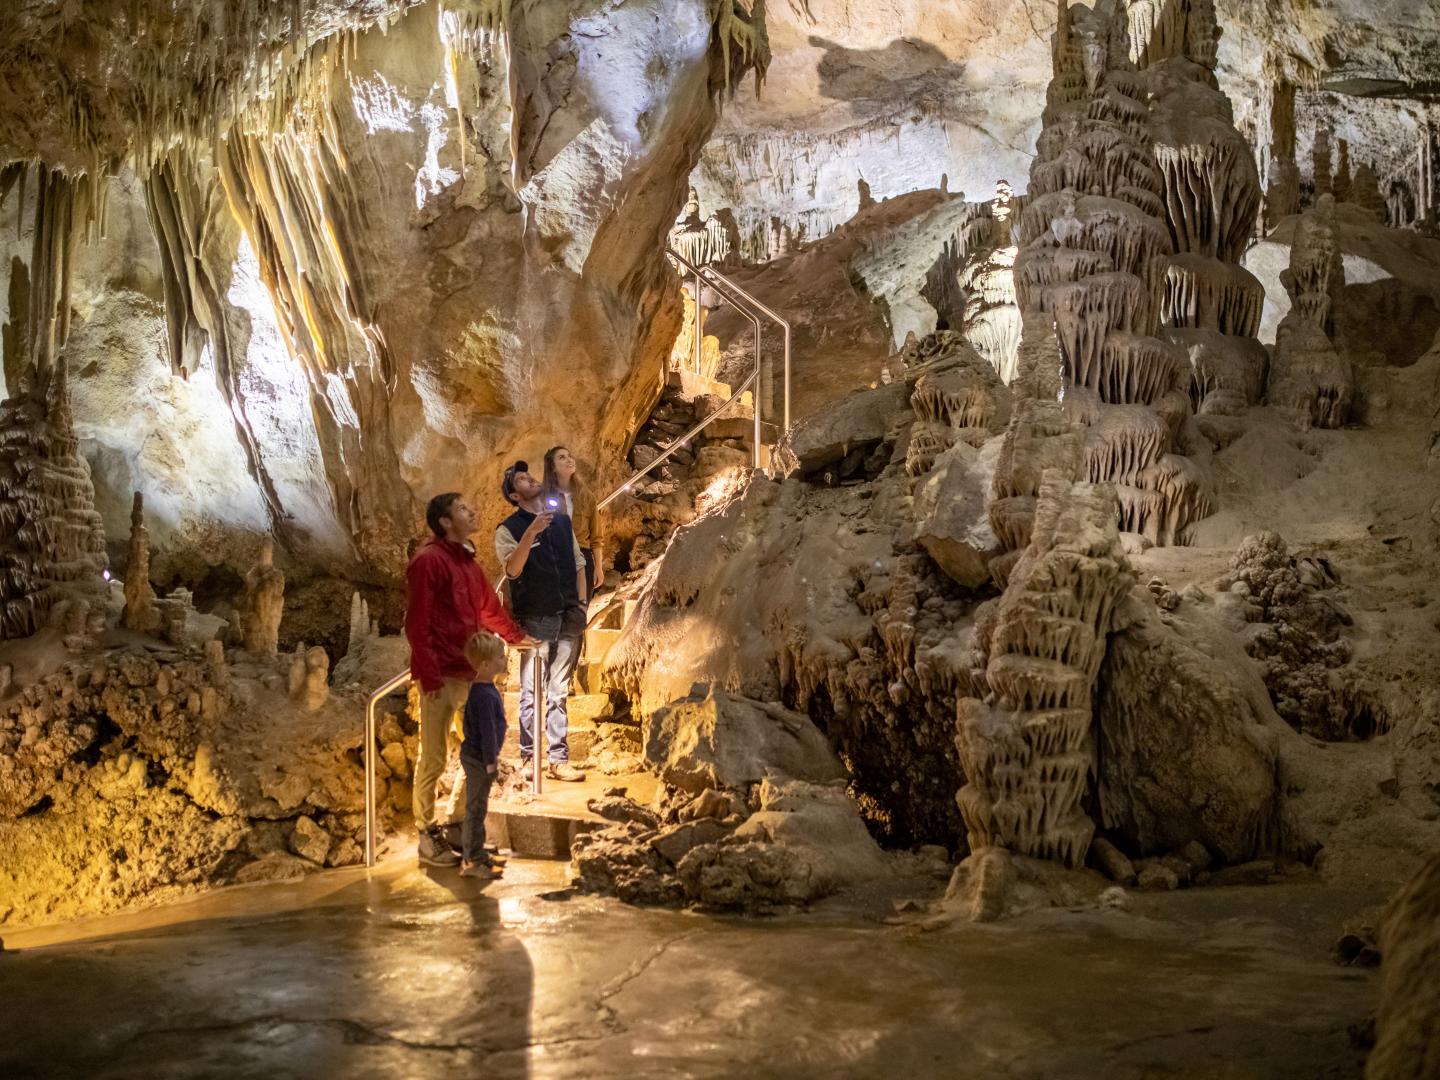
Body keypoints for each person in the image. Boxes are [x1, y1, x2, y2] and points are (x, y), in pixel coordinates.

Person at [407, 492, 537, 868]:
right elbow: (418, 621)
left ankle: (460, 824)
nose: (473, 510)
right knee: (431, 756)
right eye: (463, 508)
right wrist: (429, 675)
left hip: (471, 673)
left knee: (480, 754)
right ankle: (426, 832)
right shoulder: (429, 562)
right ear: (445, 521)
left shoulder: (467, 563)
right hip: (440, 675)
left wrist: (513, 636)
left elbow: (487, 608)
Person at [496, 460, 586, 782]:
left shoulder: (562, 522)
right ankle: (529, 756)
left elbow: (577, 562)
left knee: (559, 690)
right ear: (513, 495)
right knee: (532, 691)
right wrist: (530, 533)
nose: (531, 480)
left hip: (568, 617)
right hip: (535, 618)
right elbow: (512, 570)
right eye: (522, 479)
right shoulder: (508, 529)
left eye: (530, 475)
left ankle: (558, 759)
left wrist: (582, 603)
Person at [458, 631, 508, 880]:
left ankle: (476, 851)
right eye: (501, 657)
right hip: (479, 759)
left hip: (477, 757)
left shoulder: (483, 690)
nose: (505, 659)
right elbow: (488, 732)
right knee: (476, 809)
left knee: (479, 806)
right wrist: (491, 762)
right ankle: (471, 859)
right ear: (486, 665)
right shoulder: (485, 696)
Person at [541, 445, 605, 598]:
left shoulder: (587, 497)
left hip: (582, 558)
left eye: (569, 456)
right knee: (555, 615)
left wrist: (599, 568)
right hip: (553, 559)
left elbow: (596, 538)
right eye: (562, 457)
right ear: (553, 467)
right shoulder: (541, 497)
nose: (569, 459)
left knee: (579, 616)